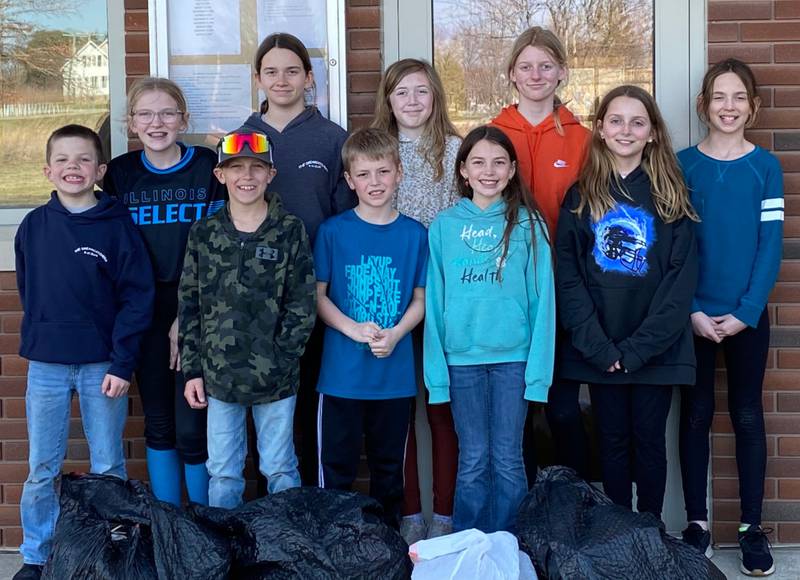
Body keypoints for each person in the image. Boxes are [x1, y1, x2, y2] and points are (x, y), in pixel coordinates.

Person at [13, 125, 154, 580]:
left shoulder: (117, 227)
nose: (73, 167)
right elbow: (29, 289)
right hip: (48, 366)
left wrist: (121, 361)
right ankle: (37, 555)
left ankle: (109, 553)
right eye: (63, 160)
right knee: (42, 467)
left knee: (108, 463)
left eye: (83, 160)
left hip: (102, 367)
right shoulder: (34, 225)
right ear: (47, 170)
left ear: (100, 170)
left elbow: (137, 297)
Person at [555, 85, 698, 522]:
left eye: (638, 122)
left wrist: (639, 349)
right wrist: (600, 347)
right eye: (615, 121)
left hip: (654, 349)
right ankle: (618, 531)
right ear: (599, 129)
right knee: (611, 442)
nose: (625, 130)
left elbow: (680, 280)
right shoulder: (581, 197)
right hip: (602, 350)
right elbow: (568, 276)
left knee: (650, 442)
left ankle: (650, 529)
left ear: (652, 132)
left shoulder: (672, 195)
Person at [678, 58, 782, 577]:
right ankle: (696, 524)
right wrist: (693, 309)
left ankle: (751, 528)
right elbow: (675, 249)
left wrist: (745, 312)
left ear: (754, 106)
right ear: (704, 105)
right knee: (695, 416)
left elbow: (770, 247)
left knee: (746, 416)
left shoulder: (766, 168)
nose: (729, 106)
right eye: (719, 96)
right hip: (692, 315)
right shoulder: (682, 165)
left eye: (739, 97)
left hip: (746, 317)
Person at [424, 125, 555, 533]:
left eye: (499, 163)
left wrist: (538, 377)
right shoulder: (444, 226)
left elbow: (543, 303)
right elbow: (433, 302)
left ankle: (510, 548)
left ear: (513, 169)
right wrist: (436, 378)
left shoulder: (530, 224)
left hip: (513, 361)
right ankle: (472, 547)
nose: (489, 171)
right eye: (478, 162)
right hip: (461, 363)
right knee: (474, 460)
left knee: (509, 459)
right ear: (463, 170)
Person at [239, 32, 355, 486]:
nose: (281, 80)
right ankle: (263, 517)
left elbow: (349, 221)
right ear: (257, 79)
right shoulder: (240, 141)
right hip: (253, 301)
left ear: (309, 79)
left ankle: (308, 507)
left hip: (316, 295)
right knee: (259, 410)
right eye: (271, 71)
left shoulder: (333, 140)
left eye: (292, 71)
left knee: (309, 404)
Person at [104, 77, 226, 506]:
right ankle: (169, 526)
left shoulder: (208, 167)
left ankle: (203, 528)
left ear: (184, 119)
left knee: (194, 426)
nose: (157, 122)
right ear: (131, 122)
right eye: (145, 114)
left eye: (168, 113)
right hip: (143, 311)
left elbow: (226, 243)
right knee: (158, 423)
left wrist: (187, 318)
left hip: (199, 307)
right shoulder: (120, 174)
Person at [179, 130, 316, 508]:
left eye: (257, 167)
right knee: (223, 471)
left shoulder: (289, 230)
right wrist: (192, 370)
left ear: (271, 174)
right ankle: (228, 552)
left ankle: (283, 552)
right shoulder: (204, 233)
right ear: (220, 175)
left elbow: (302, 302)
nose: (247, 176)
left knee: (280, 468)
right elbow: (190, 305)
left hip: (275, 377)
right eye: (235, 167)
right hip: (218, 377)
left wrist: (284, 357)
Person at [492, 26, 591, 481]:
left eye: (546, 66)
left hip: (566, 288)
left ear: (562, 72)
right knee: (519, 416)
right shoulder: (492, 135)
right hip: (508, 290)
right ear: (512, 73)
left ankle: (574, 506)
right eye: (526, 66)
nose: (536, 74)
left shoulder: (584, 139)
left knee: (565, 411)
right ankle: (524, 515)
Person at [314, 128, 427, 528]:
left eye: (382, 172)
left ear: (399, 173)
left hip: (393, 379)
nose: (374, 183)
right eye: (363, 174)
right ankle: (334, 547)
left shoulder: (415, 234)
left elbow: (420, 299)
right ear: (349, 180)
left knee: (388, 474)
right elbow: (318, 295)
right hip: (341, 377)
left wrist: (396, 334)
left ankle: (386, 550)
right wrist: (352, 329)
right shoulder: (333, 231)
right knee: (336, 472)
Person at [371, 58, 460, 543]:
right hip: (390, 300)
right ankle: (408, 514)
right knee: (399, 411)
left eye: (422, 92)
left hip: (445, 298)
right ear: (388, 99)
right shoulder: (376, 151)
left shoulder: (454, 151)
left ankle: (444, 514)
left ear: (436, 98)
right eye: (401, 92)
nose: (411, 101)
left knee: (441, 409)